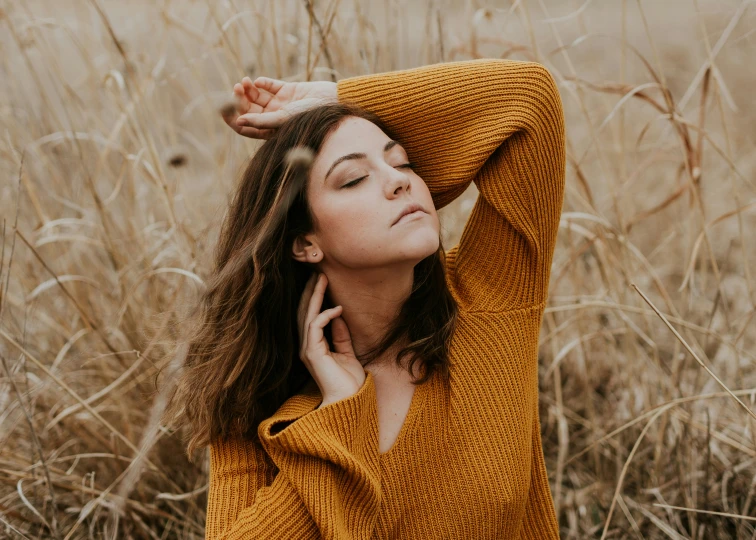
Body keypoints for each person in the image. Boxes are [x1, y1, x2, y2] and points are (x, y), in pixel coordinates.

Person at [167, 58, 566, 539]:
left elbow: (528, 97)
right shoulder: (257, 401)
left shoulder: (489, 300)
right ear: (304, 241)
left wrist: (332, 99)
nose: (400, 181)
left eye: (403, 163)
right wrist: (336, 417)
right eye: (354, 179)